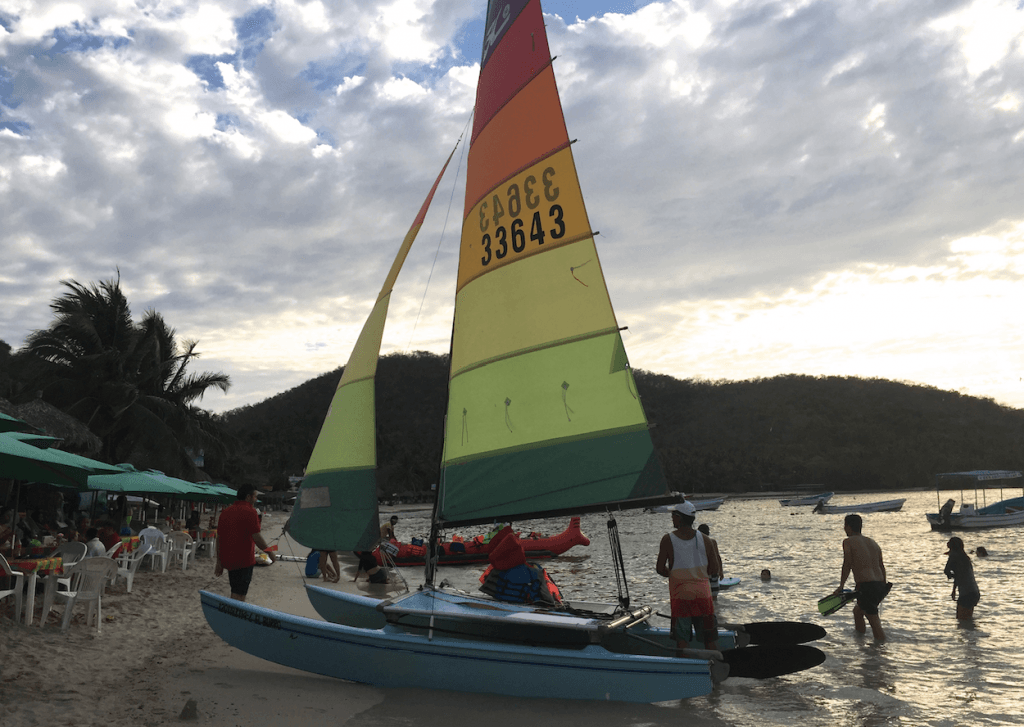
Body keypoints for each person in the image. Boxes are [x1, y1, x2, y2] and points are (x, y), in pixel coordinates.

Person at [656, 502, 721, 651]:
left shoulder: (668, 539)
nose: (671, 518)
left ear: (679, 518)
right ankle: (715, 667)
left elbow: (660, 569)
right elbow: (714, 569)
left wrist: (674, 575)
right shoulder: (706, 539)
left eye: (673, 515)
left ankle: (685, 670)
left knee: (682, 642)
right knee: (709, 640)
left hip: (681, 597)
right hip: (703, 596)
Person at [215, 485, 276, 601]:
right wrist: (270, 552)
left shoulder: (226, 512)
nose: (256, 500)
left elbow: (219, 538)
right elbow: (257, 537)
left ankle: (234, 615)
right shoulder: (251, 512)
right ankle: (235, 617)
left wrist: (219, 561)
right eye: (255, 497)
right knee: (240, 594)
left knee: (235, 589)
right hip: (243, 560)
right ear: (248, 497)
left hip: (228, 559)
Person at [833, 513, 888, 640]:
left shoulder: (848, 542)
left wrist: (841, 586)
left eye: (844, 526)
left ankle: (881, 653)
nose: (844, 529)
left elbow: (847, 564)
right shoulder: (872, 542)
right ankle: (860, 643)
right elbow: (881, 566)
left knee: (874, 620)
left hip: (867, 585)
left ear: (848, 527)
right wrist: (883, 587)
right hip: (880, 585)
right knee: (858, 611)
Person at [944, 536, 980, 620]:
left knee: (961, 622)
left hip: (965, 594)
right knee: (968, 621)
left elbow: (946, 570)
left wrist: (950, 576)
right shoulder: (965, 558)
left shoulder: (954, 555)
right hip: (974, 592)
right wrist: (954, 590)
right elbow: (960, 575)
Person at [697, 523, 725, 591]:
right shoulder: (712, 542)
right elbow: (718, 558)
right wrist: (721, 571)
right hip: (712, 572)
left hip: (700, 573)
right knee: (714, 597)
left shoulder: (695, 543)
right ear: (708, 532)